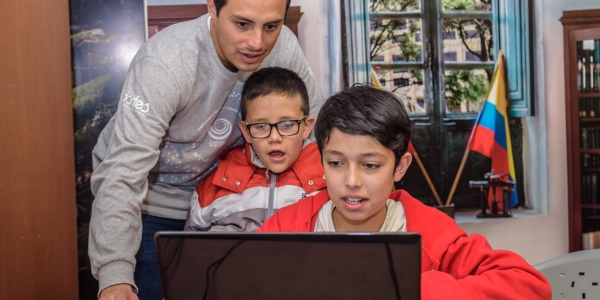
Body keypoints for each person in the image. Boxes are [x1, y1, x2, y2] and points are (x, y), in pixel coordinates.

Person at [88, 0, 324, 299]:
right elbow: (122, 173)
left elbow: (317, 135)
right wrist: (114, 277)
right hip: (148, 202)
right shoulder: (166, 62)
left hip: (221, 200)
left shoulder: (283, 48)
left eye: (271, 26)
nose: (257, 43)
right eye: (242, 24)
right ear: (212, 7)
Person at [257, 85, 551, 299]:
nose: (351, 180)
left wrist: (415, 290)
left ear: (400, 167)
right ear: (321, 161)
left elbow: (530, 286)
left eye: (370, 165)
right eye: (336, 163)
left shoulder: (432, 234)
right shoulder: (286, 228)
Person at [185, 67, 325, 232]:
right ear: (246, 132)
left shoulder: (329, 178)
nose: (274, 137)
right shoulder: (214, 187)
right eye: (261, 126)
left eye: (287, 125)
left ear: (306, 127)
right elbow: (190, 252)